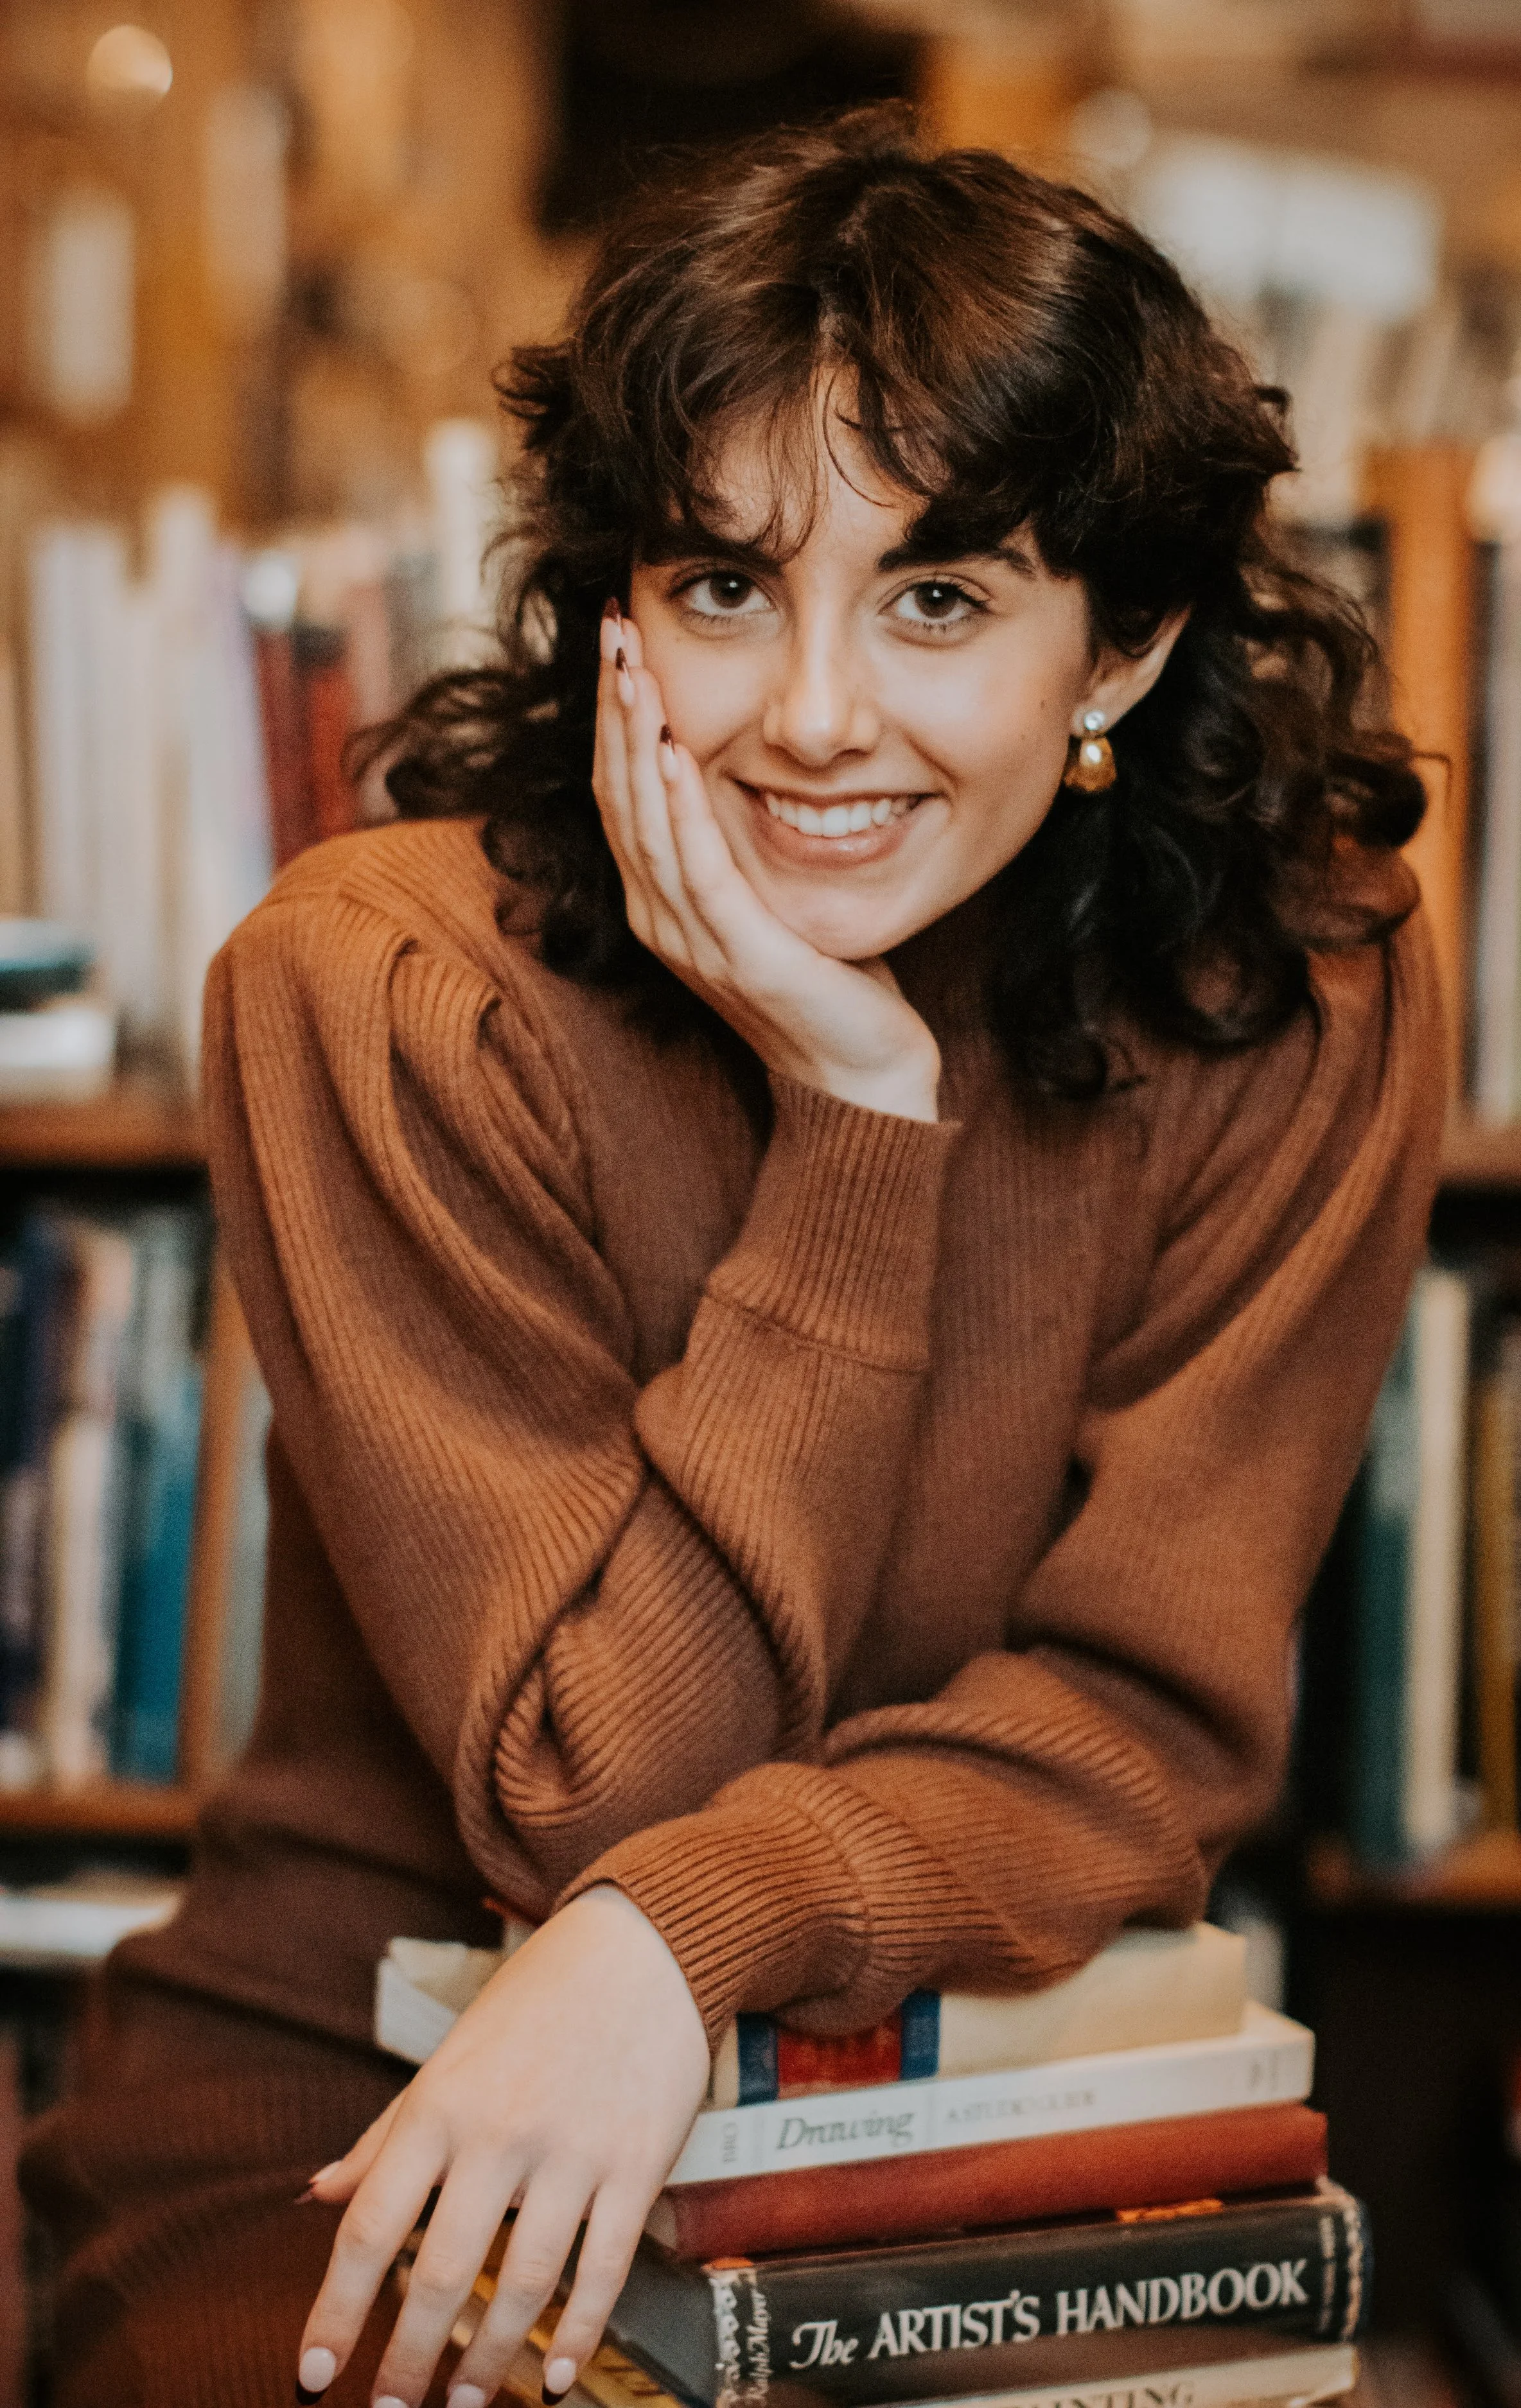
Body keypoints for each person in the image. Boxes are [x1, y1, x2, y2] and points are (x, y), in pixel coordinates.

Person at [23, 108, 1443, 2408]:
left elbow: (1140, 1728)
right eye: (718, 585)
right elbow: (586, 1785)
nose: (806, 716)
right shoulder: (385, 993)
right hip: (371, 2106)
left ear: (1124, 643)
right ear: (611, 611)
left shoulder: (1294, 991)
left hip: (974, 2130)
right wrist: (854, 1125)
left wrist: (687, 1939)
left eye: (940, 598)